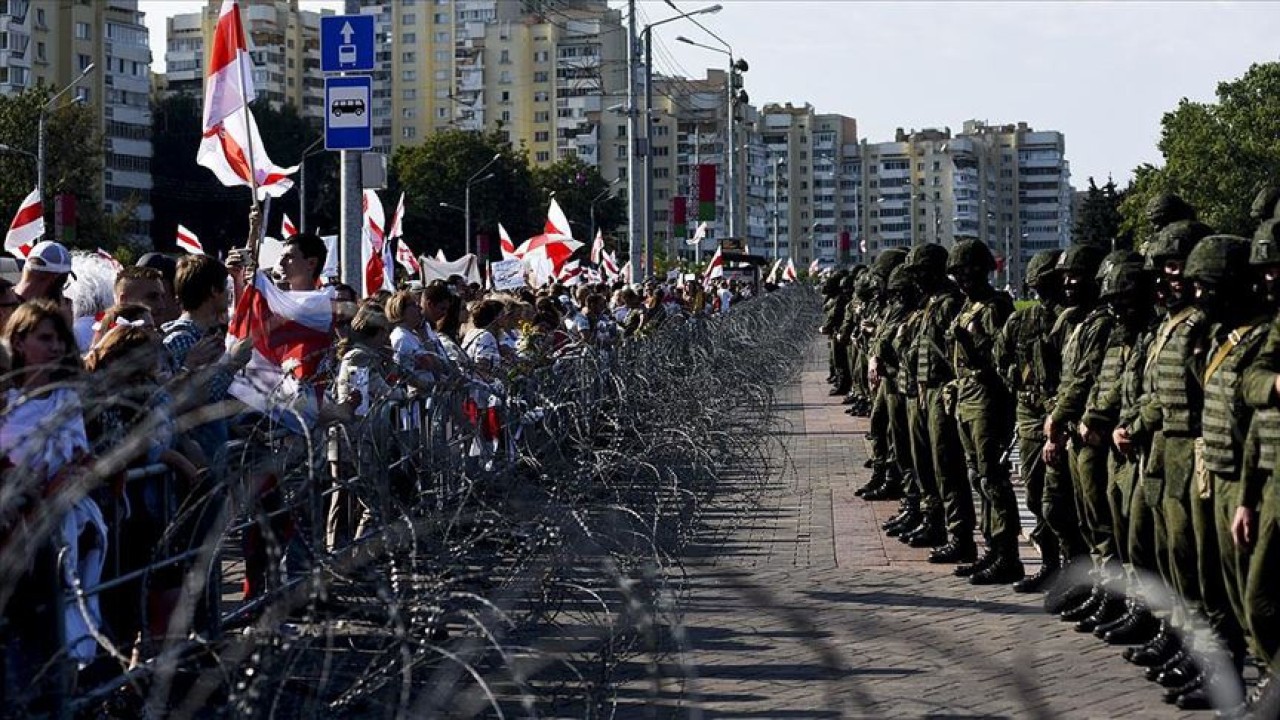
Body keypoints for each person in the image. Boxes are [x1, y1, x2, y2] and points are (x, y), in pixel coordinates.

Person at [0, 299, 106, 672]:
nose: (56, 347)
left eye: (59, 338)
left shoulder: (67, 400)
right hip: (11, 522)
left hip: (56, 524)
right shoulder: (5, 401)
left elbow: (77, 460)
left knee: (53, 622)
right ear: (19, 342)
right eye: (45, 338)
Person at [946, 239, 1021, 584]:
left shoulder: (994, 308)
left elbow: (1001, 359)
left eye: (968, 272)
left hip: (988, 399)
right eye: (958, 273)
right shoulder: (967, 307)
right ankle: (992, 547)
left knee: (993, 476)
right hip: (967, 397)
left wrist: (972, 341)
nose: (963, 279)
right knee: (978, 475)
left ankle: (1007, 553)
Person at [997, 249, 1065, 592]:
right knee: (1037, 494)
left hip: (1064, 416)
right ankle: (1052, 564)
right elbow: (1001, 358)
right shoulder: (1021, 321)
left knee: (1064, 500)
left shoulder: (1073, 321)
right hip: (1030, 414)